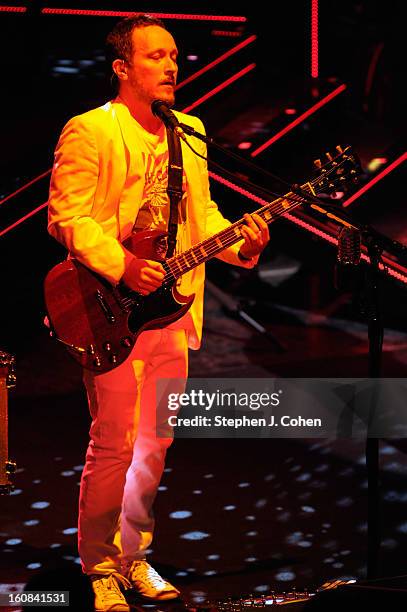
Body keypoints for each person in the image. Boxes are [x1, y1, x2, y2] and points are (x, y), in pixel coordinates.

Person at [47, 14, 269, 612]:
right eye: (156, 57)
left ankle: (134, 557)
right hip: (111, 309)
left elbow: (203, 216)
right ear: (123, 68)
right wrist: (121, 265)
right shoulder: (91, 130)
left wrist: (242, 241)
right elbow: (66, 216)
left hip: (174, 309)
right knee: (113, 442)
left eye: (174, 55)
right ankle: (98, 566)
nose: (172, 66)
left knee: (156, 441)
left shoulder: (188, 130)